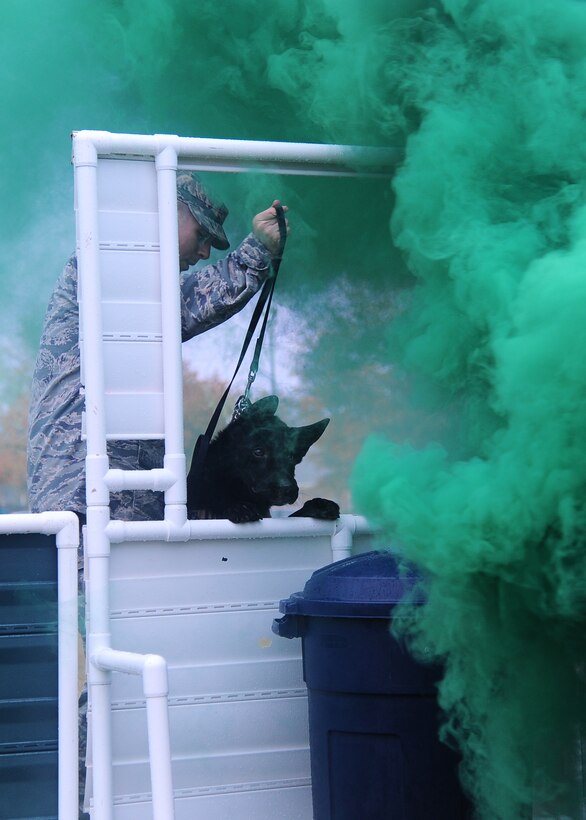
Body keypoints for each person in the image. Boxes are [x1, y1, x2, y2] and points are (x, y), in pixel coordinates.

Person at [27, 172, 288, 522]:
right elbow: (186, 306)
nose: (205, 251)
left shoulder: (122, 263)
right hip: (83, 498)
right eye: (202, 233)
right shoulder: (109, 259)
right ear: (167, 210)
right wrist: (256, 250)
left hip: (112, 497)